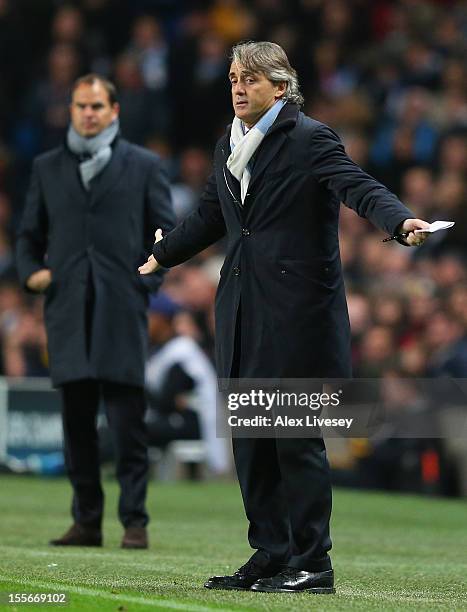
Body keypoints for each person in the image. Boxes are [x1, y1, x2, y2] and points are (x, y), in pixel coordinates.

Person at [139, 41, 430, 593]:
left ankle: (313, 563)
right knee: (251, 438)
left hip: (298, 314)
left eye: (249, 79)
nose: (238, 88)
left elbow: (357, 186)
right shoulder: (230, 141)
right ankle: (270, 553)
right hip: (243, 309)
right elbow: (209, 216)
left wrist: (399, 221)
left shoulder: (309, 137)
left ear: (281, 87)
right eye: (232, 78)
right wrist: (164, 253)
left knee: (295, 438)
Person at [16, 74, 175, 549]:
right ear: (71, 109)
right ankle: (86, 520)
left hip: (122, 306)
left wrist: (146, 283)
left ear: (115, 111)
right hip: (66, 307)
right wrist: (30, 274)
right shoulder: (47, 167)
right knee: (76, 424)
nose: (88, 113)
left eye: (97, 106)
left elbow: (166, 233)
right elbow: (28, 235)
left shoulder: (145, 165)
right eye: (81, 105)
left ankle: (135, 521)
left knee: (128, 422)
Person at [145, 293, 230, 476]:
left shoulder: (182, 352)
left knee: (135, 428)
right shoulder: (159, 349)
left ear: (162, 320)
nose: (146, 322)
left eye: (149, 316)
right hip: (175, 417)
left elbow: (164, 400)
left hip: (194, 421)